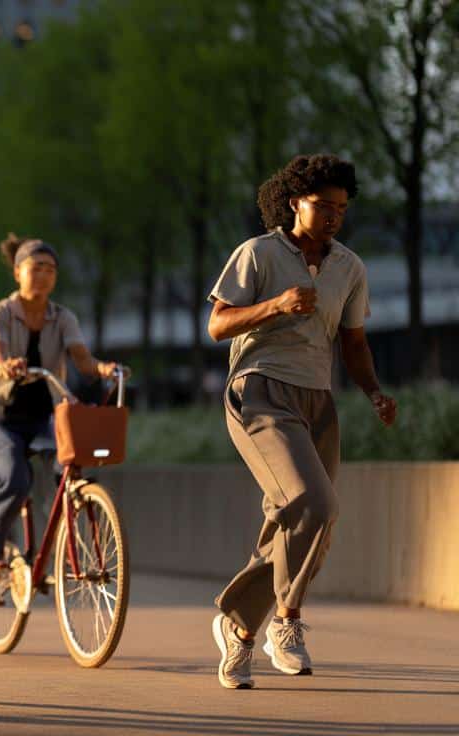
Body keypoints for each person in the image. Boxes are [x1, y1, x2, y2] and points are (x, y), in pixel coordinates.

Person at [207, 154, 396, 689]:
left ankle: (242, 626)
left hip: (318, 399)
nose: (334, 215)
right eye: (323, 205)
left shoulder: (349, 268)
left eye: (342, 208)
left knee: (304, 520)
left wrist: (374, 391)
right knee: (315, 503)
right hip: (260, 391)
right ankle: (277, 621)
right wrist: (276, 305)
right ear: (295, 203)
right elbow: (217, 324)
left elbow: (353, 343)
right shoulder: (258, 254)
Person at [0, 235, 123, 584]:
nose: (44, 275)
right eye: (36, 268)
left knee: (70, 473)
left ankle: (59, 549)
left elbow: (82, 359)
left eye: (51, 270)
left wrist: (103, 368)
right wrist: (6, 365)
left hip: (45, 417)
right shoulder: (0, 313)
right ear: (18, 272)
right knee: (16, 479)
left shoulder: (63, 318)